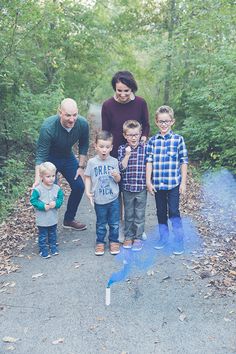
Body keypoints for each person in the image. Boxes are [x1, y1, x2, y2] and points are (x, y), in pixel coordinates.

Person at [34, 98, 89, 231]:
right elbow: (41, 156)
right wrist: (37, 179)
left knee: (79, 186)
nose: (72, 119)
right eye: (68, 115)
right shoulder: (48, 126)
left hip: (67, 157)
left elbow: (84, 146)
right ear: (60, 112)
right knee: (51, 192)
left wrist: (81, 167)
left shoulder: (82, 124)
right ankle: (47, 226)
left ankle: (69, 219)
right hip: (49, 159)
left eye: (74, 115)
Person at [146, 105, 188, 255]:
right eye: (161, 121)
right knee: (161, 212)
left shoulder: (178, 140)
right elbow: (149, 161)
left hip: (173, 184)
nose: (164, 124)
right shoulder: (152, 141)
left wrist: (183, 183)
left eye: (167, 121)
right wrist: (148, 181)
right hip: (158, 184)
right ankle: (163, 238)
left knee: (174, 211)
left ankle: (179, 241)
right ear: (156, 122)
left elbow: (183, 161)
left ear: (172, 122)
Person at [84, 131, 121, 256]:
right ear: (95, 146)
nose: (104, 150)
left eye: (107, 147)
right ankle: (100, 242)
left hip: (113, 198)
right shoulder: (92, 162)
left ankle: (113, 241)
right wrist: (87, 191)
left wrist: (116, 176)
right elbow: (87, 177)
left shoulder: (114, 161)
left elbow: (118, 180)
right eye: (101, 146)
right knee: (101, 223)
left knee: (114, 223)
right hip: (99, 199)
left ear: (111, 147)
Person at [101, 70, 150, 158]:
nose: (123, 94)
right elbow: (105, 132)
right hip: (114, 153)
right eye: (119, 90)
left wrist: (143, 139)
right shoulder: (107, 105)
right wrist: (105, 152)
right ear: (114, 88)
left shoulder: (141, 103)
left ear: (132, 88)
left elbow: (146, 125)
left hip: (136, 152)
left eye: (126, 90)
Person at [118, 120, 147, 251]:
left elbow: (149, 167)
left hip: (141, 187)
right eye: (130, 135)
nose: (133, 137)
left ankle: (138, 237)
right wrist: (127, 155)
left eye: (136, 134)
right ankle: (128, 236)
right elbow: (121, 168)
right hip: (127, 188)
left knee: (139, 214)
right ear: (125, 135)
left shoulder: (145, 148)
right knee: (129, 214)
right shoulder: (122, 149)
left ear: (140, 134)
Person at [30, 162, 64, 258]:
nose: (51, 178)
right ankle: (43, 249)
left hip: (52, 216)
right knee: (43, 234)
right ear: (41, 177)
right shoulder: (38, 189)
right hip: (42, 218)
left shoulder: (57, 188)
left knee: (53, 233)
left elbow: (60, 199)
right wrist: (42, 206)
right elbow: (33, 200)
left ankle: (53, 247)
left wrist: (56, 203)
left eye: (53, 176)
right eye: (48, 176)